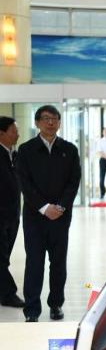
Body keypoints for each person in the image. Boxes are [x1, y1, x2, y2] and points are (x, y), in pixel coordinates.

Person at [17, 105, 81, 322]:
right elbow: (24, 183)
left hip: (61, 218)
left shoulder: (69, 150)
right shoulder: (26, 150)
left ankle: (55, 304)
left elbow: (74, 181)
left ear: (59, 122)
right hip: (34, 217)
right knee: (34, 263)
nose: (50, 122)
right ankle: (31, 310)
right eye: (45, 118)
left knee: (58, 263)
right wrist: (44, 207)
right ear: (37, 123)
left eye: (54, 118)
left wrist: (60, 207)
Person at [0, 117, 25, 308]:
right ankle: (8, 294)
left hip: (13, 214)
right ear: (1, 134)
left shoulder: (14, 155)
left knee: (5, 256)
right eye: (13, 131)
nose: (17, 134)